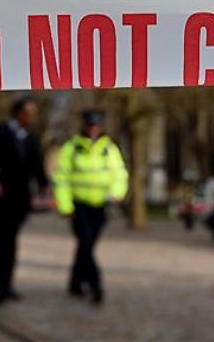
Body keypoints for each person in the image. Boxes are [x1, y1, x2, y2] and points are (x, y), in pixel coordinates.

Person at [0, 97, 49, 305]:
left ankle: (8, 284)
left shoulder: (31, 138)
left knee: (12, 241)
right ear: (20, 113)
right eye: (29, 113)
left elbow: (37, 165)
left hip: (20, 198)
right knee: (2, 240)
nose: (33, 117)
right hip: (1, 196)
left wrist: (44, 186)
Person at [54, 109, 129, 305]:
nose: (93, 129)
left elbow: (119, 174)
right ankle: (96, 286)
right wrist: (65, 206)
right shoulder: (72, 147)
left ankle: (75, 282)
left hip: (100, 206)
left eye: (96, 125)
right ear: (84, 126)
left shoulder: (109, 149)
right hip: (79, 205)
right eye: (90, 125)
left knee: (86, 246)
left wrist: (117, 194)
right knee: (86, 246)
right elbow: (62, 178)